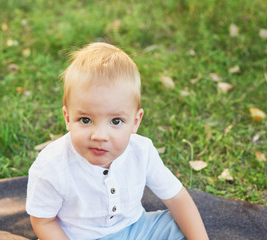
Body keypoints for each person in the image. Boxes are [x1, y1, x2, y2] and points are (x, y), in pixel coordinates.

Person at [26, 42, 209, 239]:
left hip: (136, 229)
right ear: (68, 118)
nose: (100, 135)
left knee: (182, 225)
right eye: (85, 120)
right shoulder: (52, 165)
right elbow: (43, 221)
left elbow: (177, 198)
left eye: (116, 121)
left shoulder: (142, 151)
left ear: (135, 122)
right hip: (79, 236)